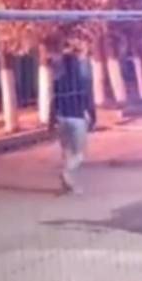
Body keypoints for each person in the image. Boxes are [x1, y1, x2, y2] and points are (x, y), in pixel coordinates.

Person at [49, 66, 96, 194]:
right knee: (79, 154)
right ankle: (66, 173)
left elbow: (53, 103)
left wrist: (51, 123)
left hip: (62, 120)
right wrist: (93, 119)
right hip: (77, 120)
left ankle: (68, 185)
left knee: (67, 152)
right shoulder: (83, 81)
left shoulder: (58, 83)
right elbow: (89, 102)